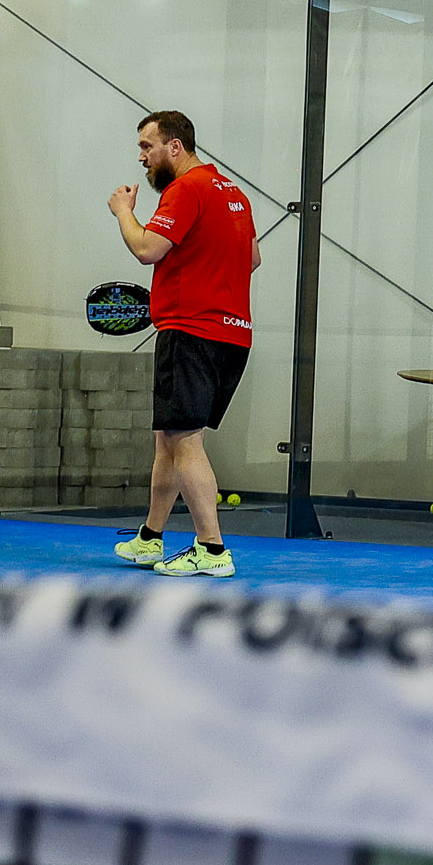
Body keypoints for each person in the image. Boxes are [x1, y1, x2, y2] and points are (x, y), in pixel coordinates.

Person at [106, 110, 260, 577]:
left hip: (192, 331)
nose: (142, 158)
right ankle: (150, 539)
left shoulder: (186, 188)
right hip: (231, 334)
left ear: (175, 146)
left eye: (148, 147)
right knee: (167, 438)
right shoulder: (233, 192)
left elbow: (147, 249)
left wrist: (124, 212)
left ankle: (211, 551)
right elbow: (251, 258)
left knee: (183, 440)